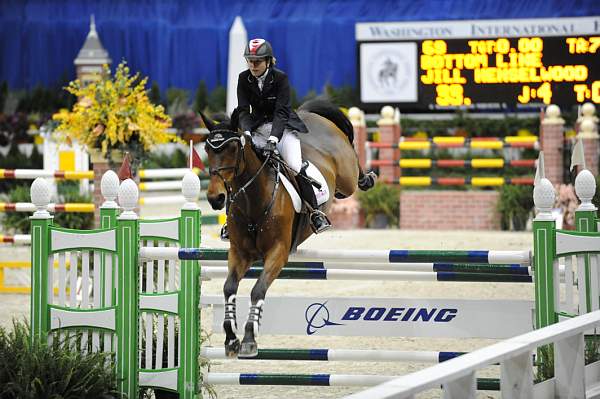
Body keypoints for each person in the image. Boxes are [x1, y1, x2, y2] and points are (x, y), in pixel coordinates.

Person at [220, 38, 331, 241]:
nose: (253, 65)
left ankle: (315, 213)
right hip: (257, 128)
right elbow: (243, 111)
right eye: (250, 61)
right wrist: (245, 132)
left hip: (283, 128)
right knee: (240, 168)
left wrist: (273, 138)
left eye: (257, 61)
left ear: (268, 61)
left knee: (294, 165)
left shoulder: (280, 79)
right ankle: (230, 220)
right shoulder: (243, 78)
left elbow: (281, 112)